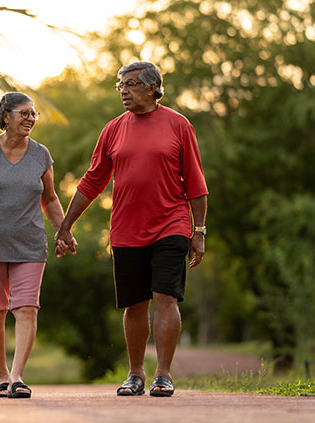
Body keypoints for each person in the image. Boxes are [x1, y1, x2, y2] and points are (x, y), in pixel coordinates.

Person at [55, 61, 208, 397]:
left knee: (165, 296)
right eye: (119, 85)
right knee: (135, 304)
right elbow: (92, 180)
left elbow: (196, 182)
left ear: (153, 88)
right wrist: (66, 225)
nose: (123, 91)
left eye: (131, 84)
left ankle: (163, 375)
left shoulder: (179, 125)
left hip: (172, 223)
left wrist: (199, 230)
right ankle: (135, 373)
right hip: (126, 228)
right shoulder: (113, 129)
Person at [0, 92, 67, 399]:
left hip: (30, 246)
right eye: (24, 113)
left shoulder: (40, 155)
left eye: (34, 114)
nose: (31, 119)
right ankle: (1, 376)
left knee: (26, 309)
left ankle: (18, 377)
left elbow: (49, 198)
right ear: (6, 116)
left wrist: (63, 231)